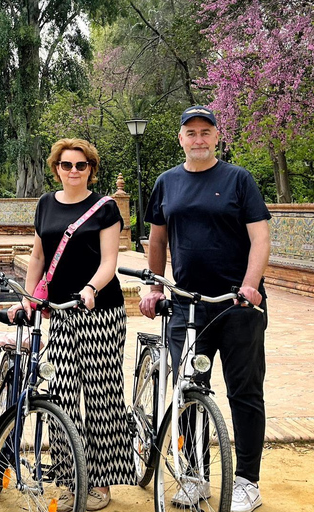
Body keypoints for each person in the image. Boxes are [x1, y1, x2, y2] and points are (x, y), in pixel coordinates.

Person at [139, 105, 270, 512]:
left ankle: (247, 480)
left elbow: (261, 239)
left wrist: (250, 286)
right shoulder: (167, 183)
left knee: (244, 392)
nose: (198, 139)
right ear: (181, 138)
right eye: (190, 132)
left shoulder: (238, 180)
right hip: (187, 306)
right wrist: (154, 285)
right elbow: (157, 241)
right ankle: (195, 475)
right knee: (187, 392)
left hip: (236, 306)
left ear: (217, 137)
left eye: (205, 132)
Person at [8, 138, 135, 511]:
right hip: (61, 312)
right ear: (57, 168)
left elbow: (109, 260)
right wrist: (29, 300)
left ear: (91, 169)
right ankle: (70, 478)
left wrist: (91, 288)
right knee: (61, 395)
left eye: (81, 165)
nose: (74, 171)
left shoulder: (105, 207)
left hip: (100, 313)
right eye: (67, 165)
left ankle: (100, 481)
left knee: (101, 396)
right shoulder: (46, 203)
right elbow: (37, 257)